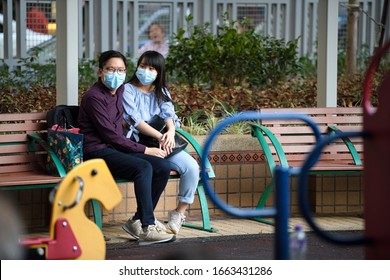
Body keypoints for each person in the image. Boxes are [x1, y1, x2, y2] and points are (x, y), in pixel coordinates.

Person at [78, 50, 175, 245]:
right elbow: (110, 136)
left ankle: (137, 220)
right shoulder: (93, 97)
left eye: (120, 70)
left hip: (114, 149)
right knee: (144, 167)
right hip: (96, 151)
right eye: (111, 69)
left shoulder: (120, 90)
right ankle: (147, 227)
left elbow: (127, 122)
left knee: (162, 166)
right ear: (100, 71)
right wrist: (145, 150)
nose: (116, 74)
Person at [123, 50, 200, 234]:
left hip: (163, 141)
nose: (146, 71)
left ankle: (179, 213)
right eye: (143, 66)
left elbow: (168, 114)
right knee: (159, 167)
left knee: (192, 167)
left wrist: (171, 132)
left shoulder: (162, 91)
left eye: (151, 68)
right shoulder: (127, 90)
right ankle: (141, 218)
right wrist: (160, 136)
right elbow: (135, 121)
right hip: (140, 142)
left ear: (159, 72)